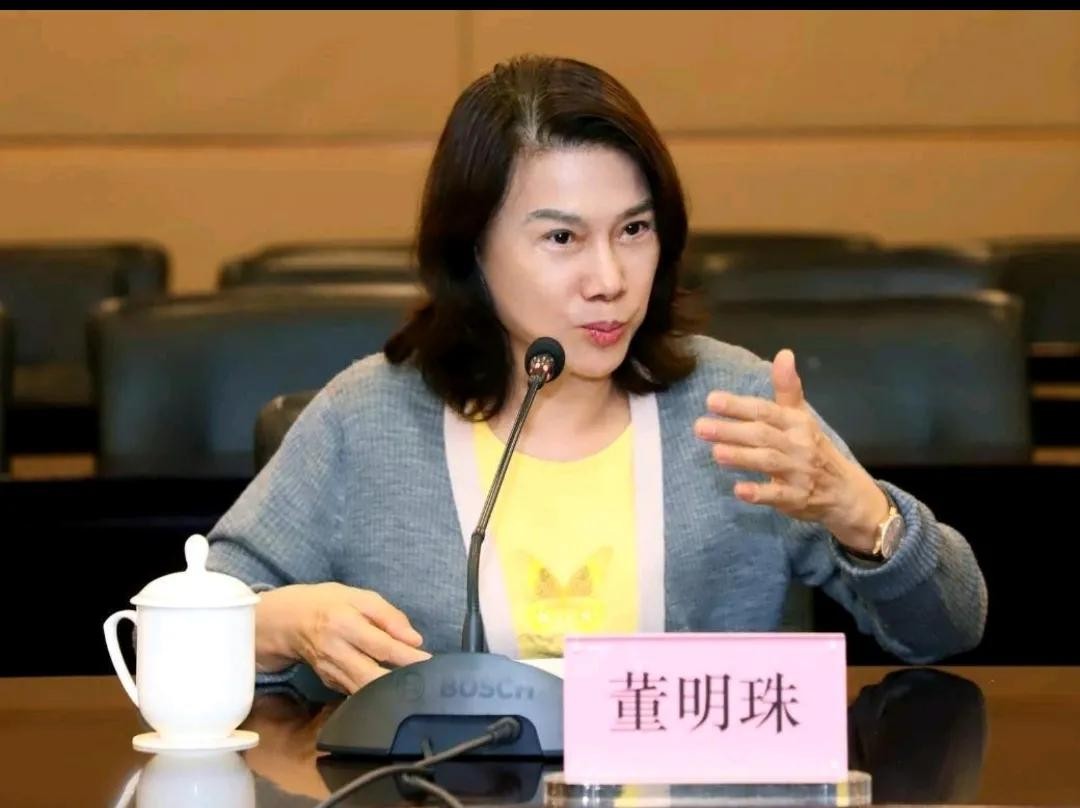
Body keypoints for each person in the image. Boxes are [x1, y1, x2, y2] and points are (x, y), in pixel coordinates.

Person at [206, 54, 987, 695]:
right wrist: (284, 624)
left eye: (634, 229)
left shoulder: (734, 408)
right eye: (563, 239)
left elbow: (950, 628)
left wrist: (863, 514)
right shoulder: (368, 420)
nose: (609, 279)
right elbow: (186, 627)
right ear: (471, 250)